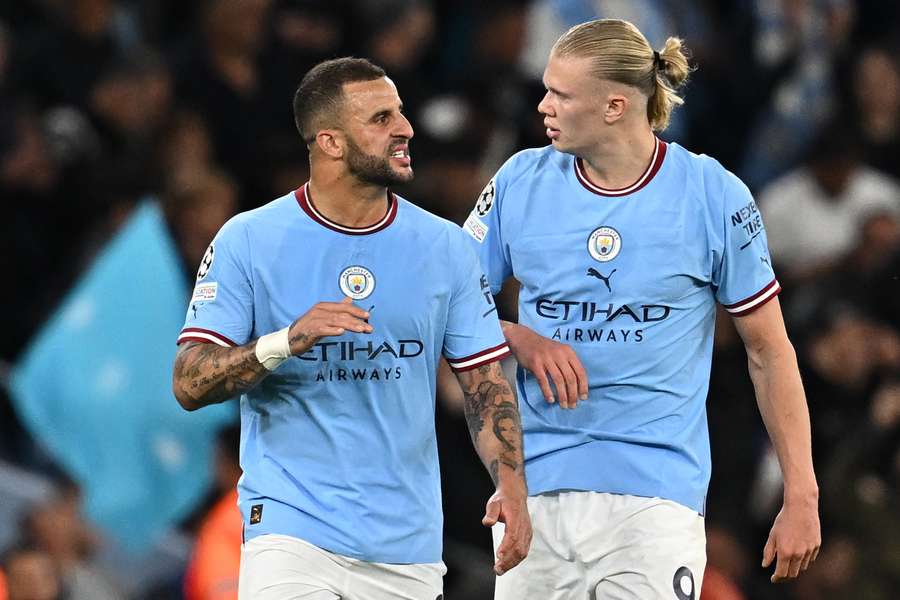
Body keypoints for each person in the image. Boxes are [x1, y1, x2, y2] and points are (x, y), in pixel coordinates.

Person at [463, 18, 820, 599]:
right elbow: (446, 307)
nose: (543, 105)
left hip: (654, 496)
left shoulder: (712, 195)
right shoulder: (519, 182)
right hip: (534, 491)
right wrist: (520, 338)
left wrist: (801, 494)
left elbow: (768, 350)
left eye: (561, 93)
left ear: (614, 105)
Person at [172, 57, 531, 600]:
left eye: (402, 114)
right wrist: (283, 342)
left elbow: (484, 385)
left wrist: (512, 486)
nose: (406, 129)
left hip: (406, 545)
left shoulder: (447, 248)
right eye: (382, 118)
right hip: (290, 532)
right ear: (331, 142)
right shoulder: (248, 241)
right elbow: (189, 383)